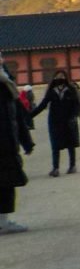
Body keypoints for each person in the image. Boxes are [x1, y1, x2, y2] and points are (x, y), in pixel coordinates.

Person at [0, 60, 33, 235]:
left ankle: (3, 221)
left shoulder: (8, 88)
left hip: (6, 144)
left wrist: (26, 141)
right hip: (4, 143)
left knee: (6, 184)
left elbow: (18, 117)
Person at [31, 69, 80, 176]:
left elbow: (77, 105)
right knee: (55, 145)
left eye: (62, 76)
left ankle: (72, 166)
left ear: (66, 78)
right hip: (55, 121)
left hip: (68, 120)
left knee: (70, 144)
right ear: (54, 78)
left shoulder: (71, 90)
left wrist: (74, 116)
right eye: (58, 76)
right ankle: (55, 168)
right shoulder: (51, 91)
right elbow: (43, 104)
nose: (60, 78)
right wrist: (30, 115)